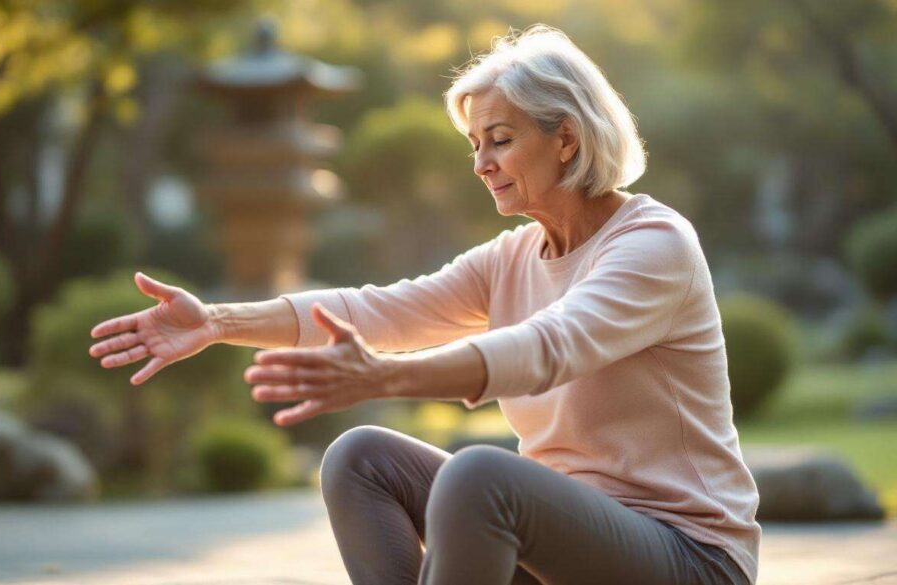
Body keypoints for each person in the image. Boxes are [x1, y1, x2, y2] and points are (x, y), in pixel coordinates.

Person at [89, 25, 758, 585]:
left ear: (567, 139)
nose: (481, 163)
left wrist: (386, 376)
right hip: (562, 552)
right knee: (360, 457)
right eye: (475, 145)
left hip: (688, 558)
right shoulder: (512, 257)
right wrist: (217, 321)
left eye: (500, 139)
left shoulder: (653, 244)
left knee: (482, 474)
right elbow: (377, 309)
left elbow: (548, 348)